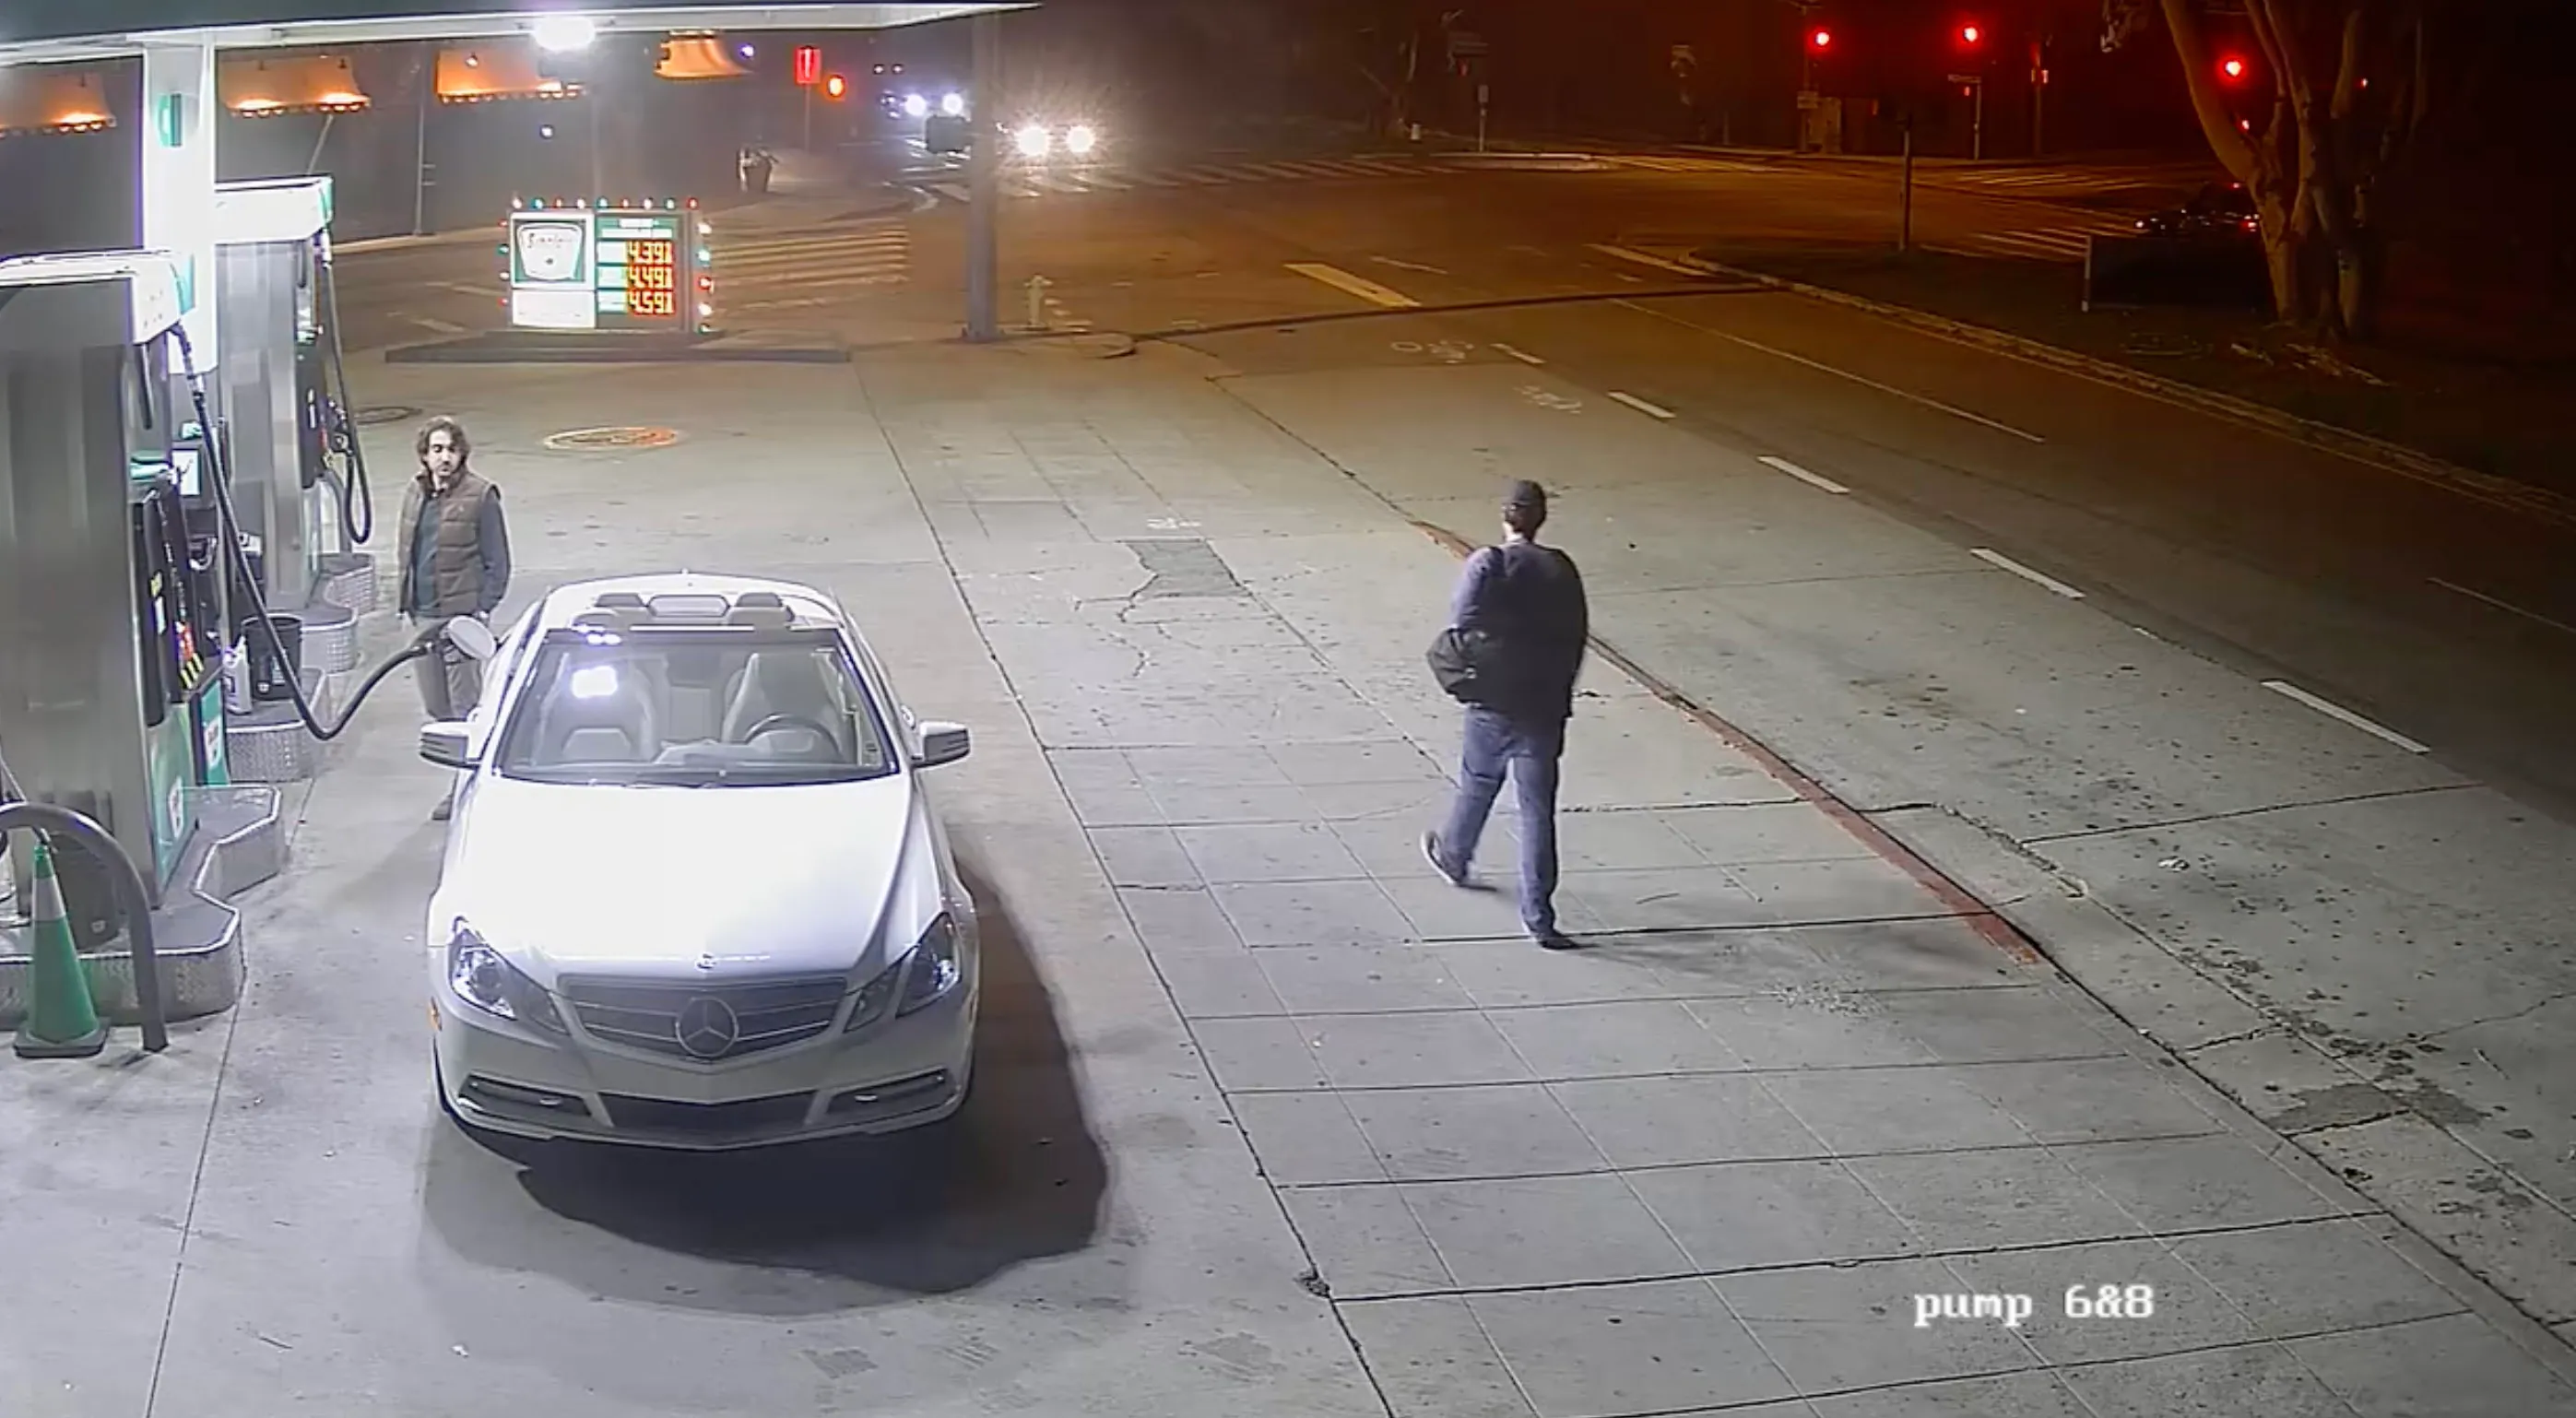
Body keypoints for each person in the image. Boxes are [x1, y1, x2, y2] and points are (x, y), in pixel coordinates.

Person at [1422, 479, 1589, 950]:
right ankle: (1539, 916)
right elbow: (1576, 636)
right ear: (1541, 518)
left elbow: (1462, 623)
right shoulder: (1561, 568)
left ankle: (1455, 856)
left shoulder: (1488, 563)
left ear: (1505, 517)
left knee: (1478, 781)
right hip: (1543, 706)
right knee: (1538, 811)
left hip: (1494, 700)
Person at [397, 415, 511, 821]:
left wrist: (481, 611)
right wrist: (405, 604)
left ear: (462, 453)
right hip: (422, 617)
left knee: (465, 711)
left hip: (460, 621)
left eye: (451, 449)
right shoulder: (415, 494)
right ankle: (462, 780)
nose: (444, 457)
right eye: (436, 450)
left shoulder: (481, 497)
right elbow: (409, 550)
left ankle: (466, 790)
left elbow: (499, 561)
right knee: (438, 708)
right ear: (425, 456)